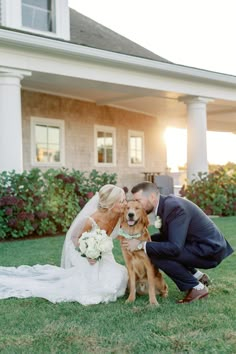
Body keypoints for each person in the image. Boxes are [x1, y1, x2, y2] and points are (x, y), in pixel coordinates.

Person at [0, 185, 128, 305]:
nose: (125, 204)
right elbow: (74, 238)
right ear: (110, 204)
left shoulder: (120, 216)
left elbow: (123, 233)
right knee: (101, 287)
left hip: (106, 257)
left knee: (121, 276)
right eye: (121, 201)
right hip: (90, 259)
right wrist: (89, 251)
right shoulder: (92, 219)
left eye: (125, 200)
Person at [122, 181, 234, 303]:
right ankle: (198, 277)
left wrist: (140, 244)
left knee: (155, 253)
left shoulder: (174, 208)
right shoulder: (166, 205)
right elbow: (169, 237)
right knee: (155, 244)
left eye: (138, 200)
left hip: (209, 251)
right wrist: (144, 239)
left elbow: (175, 248)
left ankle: (197, 288)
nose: (136, 204)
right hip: (199, 245)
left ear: (152, 197)